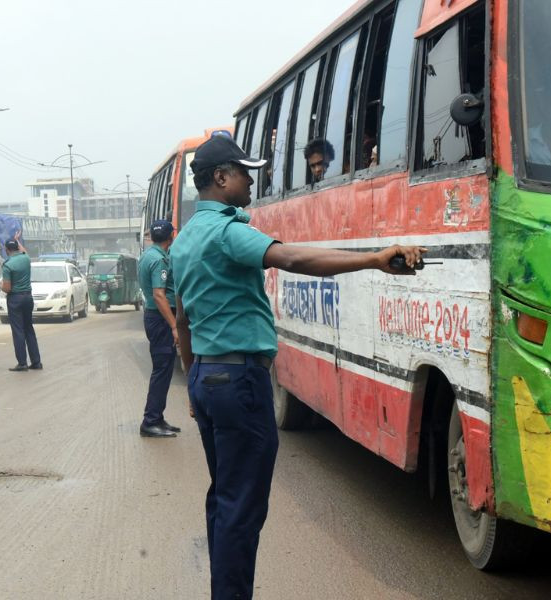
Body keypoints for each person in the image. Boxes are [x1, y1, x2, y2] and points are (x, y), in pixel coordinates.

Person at [170, 135, 424, 599]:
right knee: (242, 508)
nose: (252, 179)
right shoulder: (228, 231)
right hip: (240, 381)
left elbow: (183, 321)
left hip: (207, 377)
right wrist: (373, 259)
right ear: (221, 177)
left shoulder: (185, 239)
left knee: (225, 498)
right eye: (245, 172)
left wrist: (192, 385)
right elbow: (291, 258)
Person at [137, 219, 179, 438]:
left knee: (163, 370)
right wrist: (174, 325)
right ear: (171, 236)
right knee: (162, 371)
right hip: (161, 319)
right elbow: (158, 294)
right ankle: (150, 421)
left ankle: (158, 418)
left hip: (155, 316)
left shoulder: (147, 255)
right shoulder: (159, 260)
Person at [1, 239, 42, 372]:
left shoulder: (8, 265)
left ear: (7, 250)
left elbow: (7, 288)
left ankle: (22, 363)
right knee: (29, 328)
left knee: (18, 331)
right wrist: (17, 239)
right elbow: (23, 250)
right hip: (28, 297)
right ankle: (36, 362)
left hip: (15, 299)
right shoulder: (26, 258)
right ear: (17, 248)